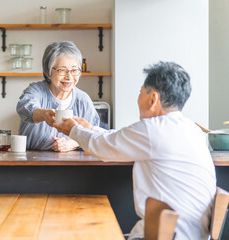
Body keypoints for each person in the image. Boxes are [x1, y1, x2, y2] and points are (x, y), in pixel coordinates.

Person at [53, 61, 216, 240]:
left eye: (140, 92)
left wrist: (73, 130)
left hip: (167, 235)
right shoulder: (191, 129)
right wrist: (90, 128)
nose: (138, 99)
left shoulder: (153, 129)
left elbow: (103, 147)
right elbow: (117, 139)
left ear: (153, 98)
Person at [16, 41, 100, 152]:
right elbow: (24, 108)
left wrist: (72, 143)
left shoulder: (83, 100)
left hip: (71, 163)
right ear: (48, 71)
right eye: (62, 70)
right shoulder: (36, 91)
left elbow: (93, 135)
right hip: (32, 161)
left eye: (74, 70)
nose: (69, 77)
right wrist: (44, 115)